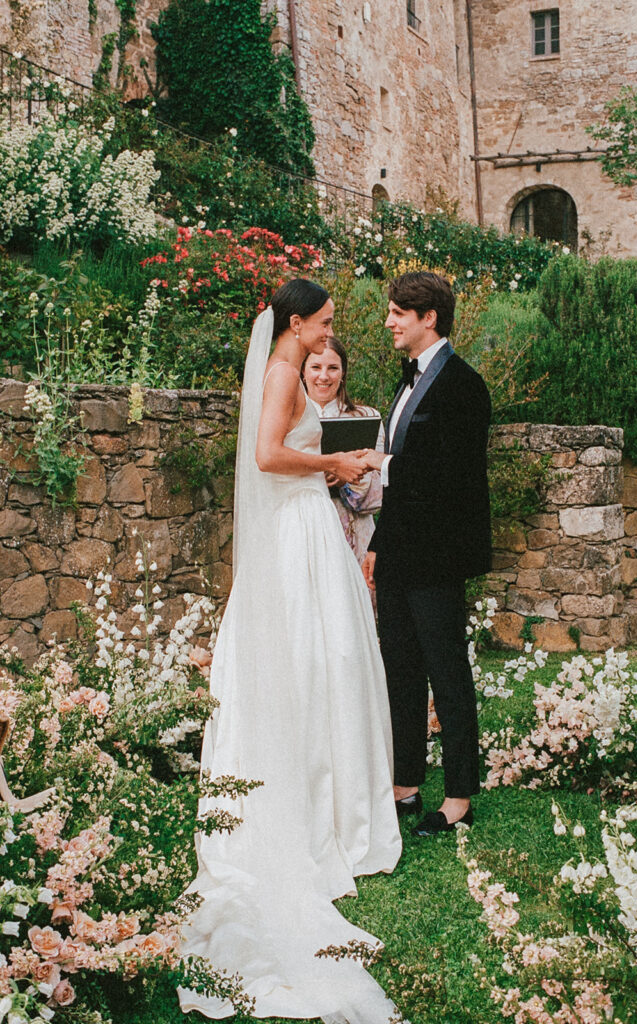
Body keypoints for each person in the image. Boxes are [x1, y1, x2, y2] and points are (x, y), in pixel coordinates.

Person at [178, 279, 402, 1023]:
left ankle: (336, 807)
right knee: (315, 661)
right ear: (297, 324)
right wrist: (334, 467)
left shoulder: (284, 369)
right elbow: (270, 455)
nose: (330, 333)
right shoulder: (279, 373)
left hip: (307, 530)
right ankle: (311, 813)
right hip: (295, 529)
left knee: (332, 662)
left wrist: (339, 465)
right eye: (326, 323)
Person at [361, 271, 492, 838]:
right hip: (398, 553)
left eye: (397, 312)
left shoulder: (464, 386)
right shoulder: (407, 380)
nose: (389, 321)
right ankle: (405, 785)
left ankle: (460, 795)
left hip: (437, 556)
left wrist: (378, 462)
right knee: (402, 672)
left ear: (428, 318)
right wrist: (376, 544)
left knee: (447, 672)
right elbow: (399, 488)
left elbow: (451, 477)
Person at [302, 336, 385, 566]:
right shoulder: (288, 421)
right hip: (305, 531)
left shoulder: (366, 417)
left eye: (333, 368)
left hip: (355, 536)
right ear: (303, 371)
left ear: (343, 373)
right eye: (316, 367)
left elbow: (380, 494)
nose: (324, 376)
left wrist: (345, 481)